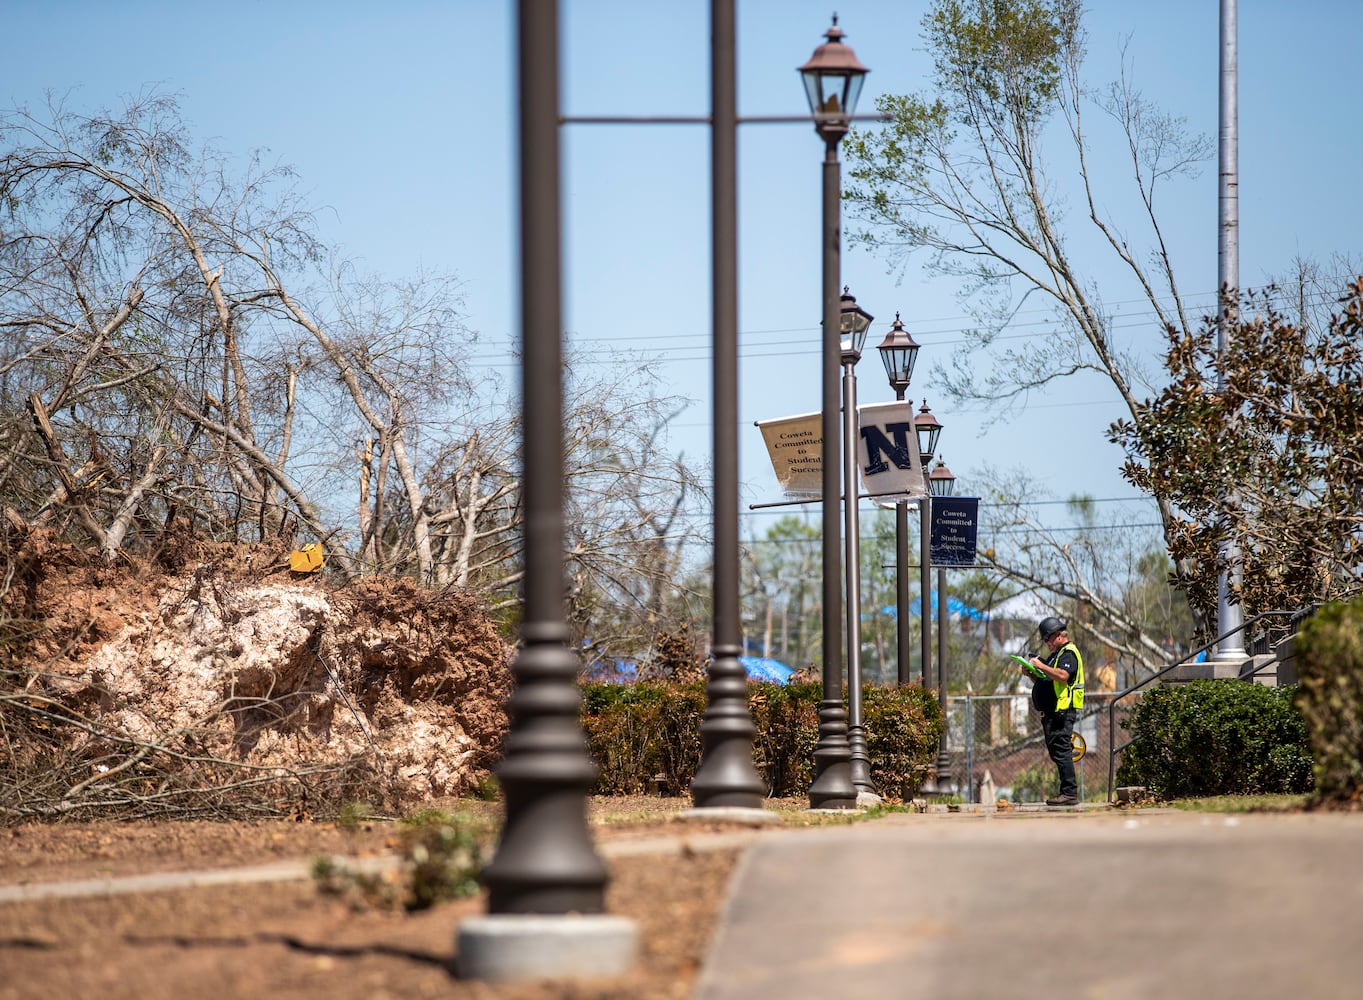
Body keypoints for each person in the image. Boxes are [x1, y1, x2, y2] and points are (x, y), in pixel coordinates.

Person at [1020, 616, 1085, 806]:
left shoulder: (1068, 653)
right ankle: (1067, 792)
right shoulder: (1056, 655)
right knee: (1057, 751)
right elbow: (1047, 681)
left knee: (1062, 750)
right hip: (1052, 712)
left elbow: (1063, 676)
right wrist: (1032, 672)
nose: (1046, 643)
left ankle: (1069, 793)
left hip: (1062, 711)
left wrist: (1041, 665)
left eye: (1047, 639)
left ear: (1058, 635)